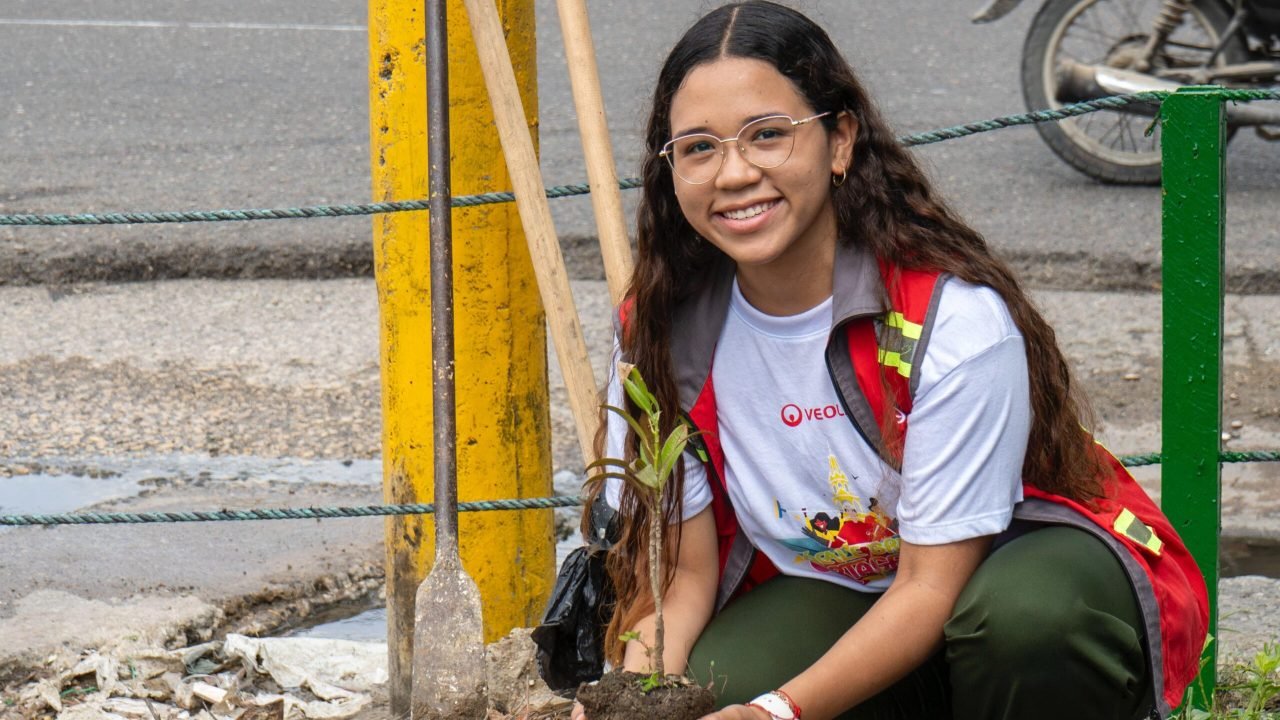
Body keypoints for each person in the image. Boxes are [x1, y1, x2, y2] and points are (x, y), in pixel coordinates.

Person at [574, 3, 1209, 719]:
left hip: (999, 574)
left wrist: (777, 712)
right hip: (839, 591)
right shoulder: (661, 335)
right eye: (698, 148)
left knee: (1029, 621)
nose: (734, 173)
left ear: (840, 140)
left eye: (768, 136)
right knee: (709, 689)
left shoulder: (949, 321)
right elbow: (683, 577)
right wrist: (632, 695)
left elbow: (930, 588)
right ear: (670, 169)